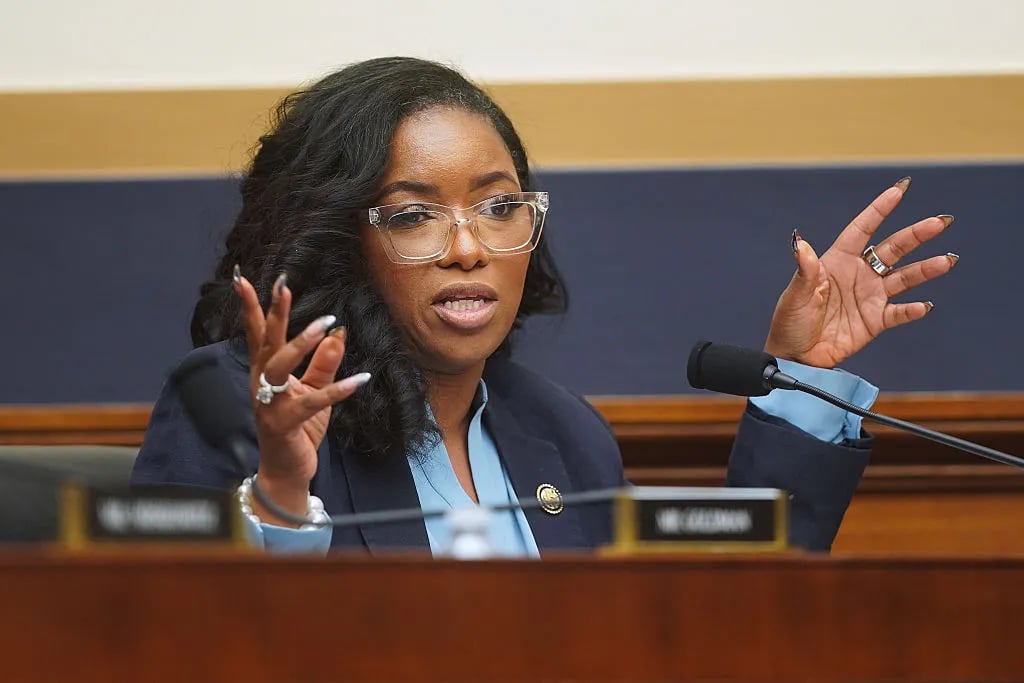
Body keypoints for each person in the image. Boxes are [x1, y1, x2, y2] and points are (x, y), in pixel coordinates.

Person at [131, 57, 958, 555]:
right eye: (416, 215)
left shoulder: (562, 435)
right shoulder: (234, 409)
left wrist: (801, 378)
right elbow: (173, 639)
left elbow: (716, 613)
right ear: (340, 239)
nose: (470, 248)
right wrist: (281, 485)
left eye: (498, 206)